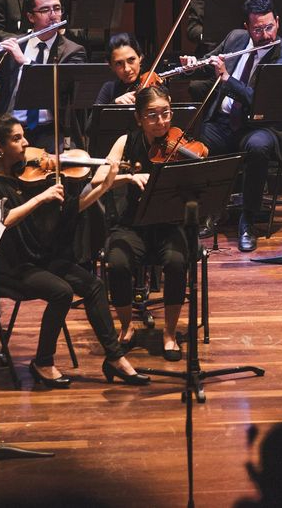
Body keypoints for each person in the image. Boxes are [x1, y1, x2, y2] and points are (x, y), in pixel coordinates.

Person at [0, 114, 147, 387]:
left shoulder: (24, 175)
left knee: (94, 286)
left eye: (23, 136)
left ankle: (115, 358)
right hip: (6, 265)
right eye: (17, 139)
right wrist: (42, 198)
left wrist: (105, 185)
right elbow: (3, 220)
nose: (26, 143)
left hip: (36, 255)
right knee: (62, 292)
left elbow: (70, 209)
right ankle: (43, 362)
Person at [187, 0, 282, 251]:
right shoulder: (236, 38)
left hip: (262, 126)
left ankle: (248, 219)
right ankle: (210, 210)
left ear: (277, 22)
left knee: (258, 147)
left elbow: (260, 102)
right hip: (225, 122)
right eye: (258, 30)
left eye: (269, 27)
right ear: (247, 27)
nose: (265, 35)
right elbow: (211, 63)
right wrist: (194, 65)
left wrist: (228, 80)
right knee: (195, 139)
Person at [98, 85, 191, 362]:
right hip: (132, 225)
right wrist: (128, 177)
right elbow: (99, 179)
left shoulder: (180, 143)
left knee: (176, 262)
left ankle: (170, 333)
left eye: (166, 113)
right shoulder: (125, 142)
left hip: (169, 224)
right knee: (117, 262)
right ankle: (127, 327)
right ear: (139, 118)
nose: (161, 121)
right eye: (152, 115)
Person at [0, 0, 87, 151]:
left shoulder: (73, 52)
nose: (53, 15)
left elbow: (61, 94)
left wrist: (25, 62)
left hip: (50, 130)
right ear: (31, 17)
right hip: (9, 128)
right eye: (45, 10)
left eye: (57, 8)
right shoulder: (13, 46)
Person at [96, 32, 147, 105]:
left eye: (131, 59)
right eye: (119, 63)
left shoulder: (153, 84)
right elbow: (96, 112)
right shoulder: (109, 89)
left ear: (140, 58)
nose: (127, 69)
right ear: (111, 66)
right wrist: (114, 103)